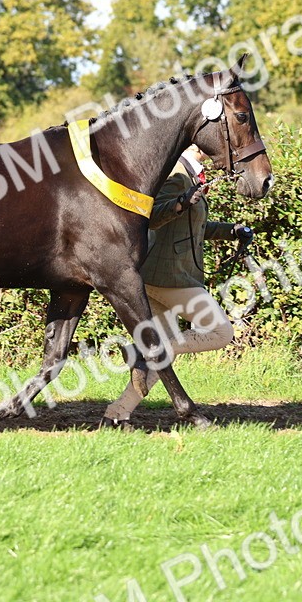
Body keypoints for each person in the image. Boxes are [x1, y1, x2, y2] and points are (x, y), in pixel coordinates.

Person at [102, 143, 252, 429]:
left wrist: (232, 231)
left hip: (163, 277)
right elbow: (152, 217)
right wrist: (180, 203)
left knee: (162, 358)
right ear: (195, 145)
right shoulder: (177, 174)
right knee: (221, 332)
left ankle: (116, 415)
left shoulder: (189, 175)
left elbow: (193, 227)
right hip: (170, 277)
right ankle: (143, 353)